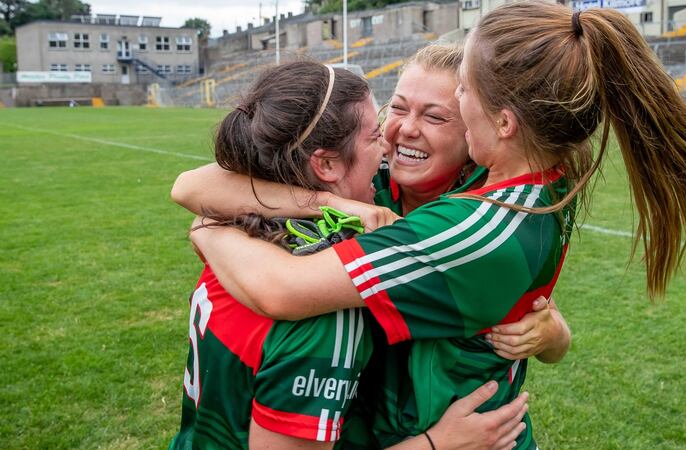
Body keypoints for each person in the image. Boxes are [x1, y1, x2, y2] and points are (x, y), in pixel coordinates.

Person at [188, 2, 686, 447]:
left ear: (499, 124)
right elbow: (191, 185)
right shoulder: (499, 177)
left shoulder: (473, 229)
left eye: (454, 97)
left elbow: (280, 289)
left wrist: (212, 230)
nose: (399, 130)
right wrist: (329, 205)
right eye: (397, 107)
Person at [170, 61, 528, 450]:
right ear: (324, 164)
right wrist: (436, 445)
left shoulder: (249, 229)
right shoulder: (326, 307)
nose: (392, 141)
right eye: (381, 128)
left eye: (436, 116)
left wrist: (209, 229)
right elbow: (190, 189)